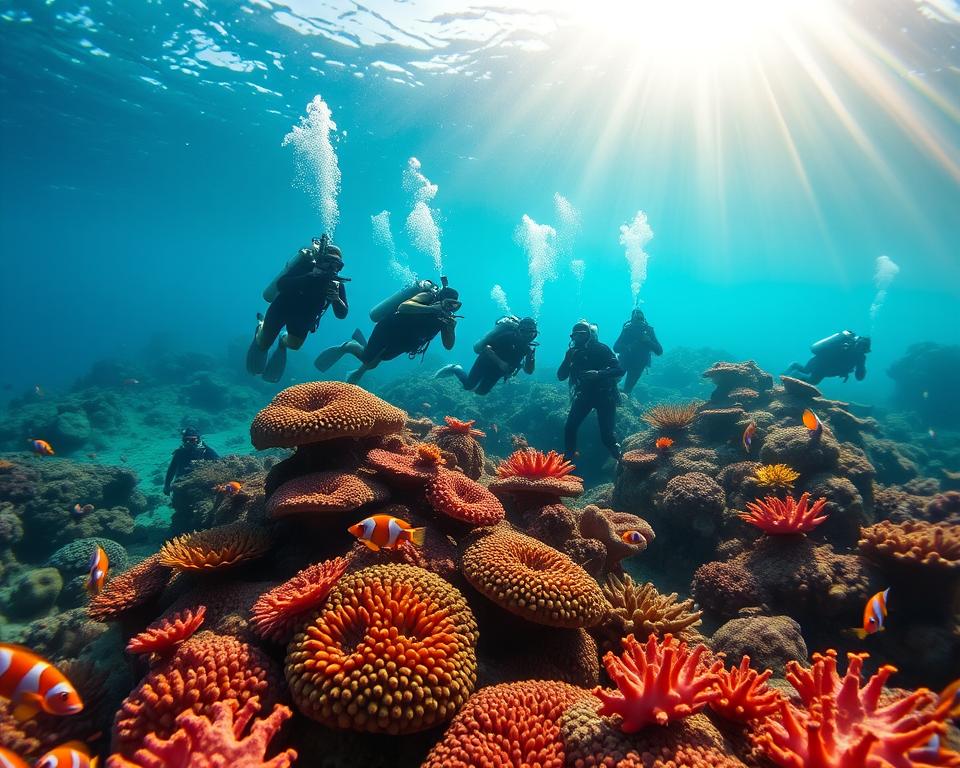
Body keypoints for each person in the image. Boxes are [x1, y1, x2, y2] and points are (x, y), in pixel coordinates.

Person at [315, 277, 461, 385]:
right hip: (389, 329)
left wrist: (451, 330)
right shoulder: (428, 297)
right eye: (448, 303)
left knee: (377, 360)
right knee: (368, 359)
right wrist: (431, 308)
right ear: (440, 299)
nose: (450, 308)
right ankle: (349, 345)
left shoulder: (445, 319)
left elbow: (448, 346)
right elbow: (403, 306)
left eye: (455, 306)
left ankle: (359, 370)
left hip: (406, 342)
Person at [246, 234, 349, 383]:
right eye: (328, 262)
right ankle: (261, 327)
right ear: (320, 259)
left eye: (337, 265)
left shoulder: (335, 284)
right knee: (263, 344)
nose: (332, 268)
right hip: (281, 307)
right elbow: (281, 284)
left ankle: (282, 339)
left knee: (294, 346)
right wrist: (309, 276)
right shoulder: (305, 266)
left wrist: (336, 299)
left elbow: (342, 314)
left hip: (305, 316)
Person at [557, 320, 624, 461]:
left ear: (589, 334)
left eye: (581, 335)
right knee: (570, 428)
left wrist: (599, 374)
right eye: (574, 336)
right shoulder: (572, 353)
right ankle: (568, 458)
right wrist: (566, 360)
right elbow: (561, 376)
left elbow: (619, 370)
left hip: (604, 395)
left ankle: (621, 459)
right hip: (583, 396)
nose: (578, 338)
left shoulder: (601, 349)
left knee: (607, 435)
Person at [433, 316, 538, 395]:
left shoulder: (529, 348)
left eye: (531, 333)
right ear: (518, 330)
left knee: (481, 392)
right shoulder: (507, 336)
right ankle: (456, 368)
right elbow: (486, 348)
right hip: (486, 362)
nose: (527, 336)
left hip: (500, 371)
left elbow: (529, 371)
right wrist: (500, 363)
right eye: (524, 331)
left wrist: (531, 360)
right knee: (469, 386)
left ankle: (458, 371)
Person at [786, 330, 871, 385]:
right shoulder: (845, 346)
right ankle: (788, 378)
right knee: (811, 380)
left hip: (825, 369)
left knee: (807, 372)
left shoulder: (860, 358)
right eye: (860, 345)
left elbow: (859, 377)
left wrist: (861, 366)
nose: (860, 349)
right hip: (820, 365)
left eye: (864, 347)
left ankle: (793, 369)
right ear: (856, 343)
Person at [614, 308, 663, 394]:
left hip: (639, 364)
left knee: (627, 390)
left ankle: (622, 400)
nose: (639, 321)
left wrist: (648, 341)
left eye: (641, 319)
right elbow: (616, 348)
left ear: (644, 320)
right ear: (632, 320)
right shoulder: (627, 330)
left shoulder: (648, 331)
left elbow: (659, 351)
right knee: (612, 384)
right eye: (637, 319)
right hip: (624, 360)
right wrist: (628, 347)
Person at [163, 427, 219, 495]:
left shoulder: (207, 451)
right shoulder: (179, 453)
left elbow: (219, 464)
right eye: (186, 440)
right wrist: (166, 485)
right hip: (181, 488)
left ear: (198, 440)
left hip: (202, 488)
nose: (188, 443)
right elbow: (171, 470)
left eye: (192, 440)